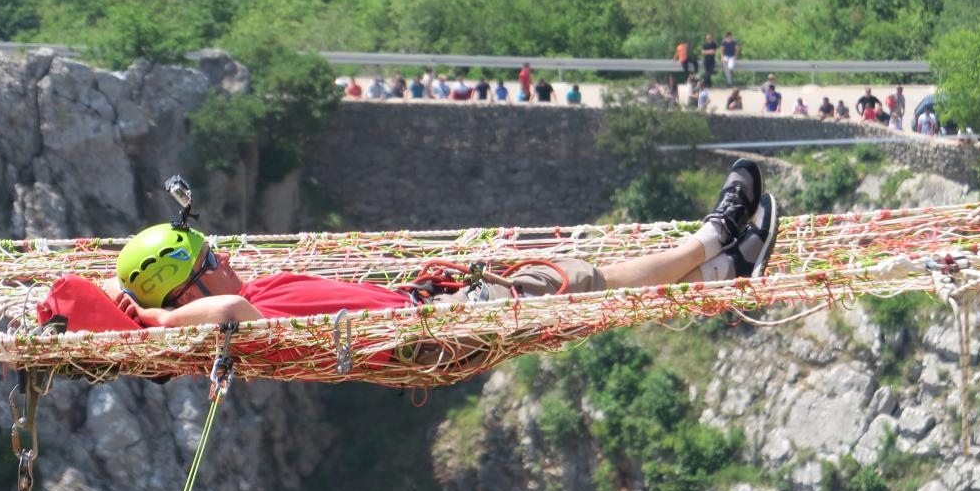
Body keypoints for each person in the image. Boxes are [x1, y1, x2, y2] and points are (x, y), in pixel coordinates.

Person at [112, 162, 781, 330]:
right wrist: (155, 315)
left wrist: (128, 298)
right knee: (582, 281)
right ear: (188, 291)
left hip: (434, 304)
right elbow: (222, 316)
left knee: (578, 283)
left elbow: (197, 300)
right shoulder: (243, 319)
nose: (224, 258)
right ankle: (714, 237)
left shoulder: (242, 295)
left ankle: (719, 272)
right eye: (209, 262)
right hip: (439, 322)